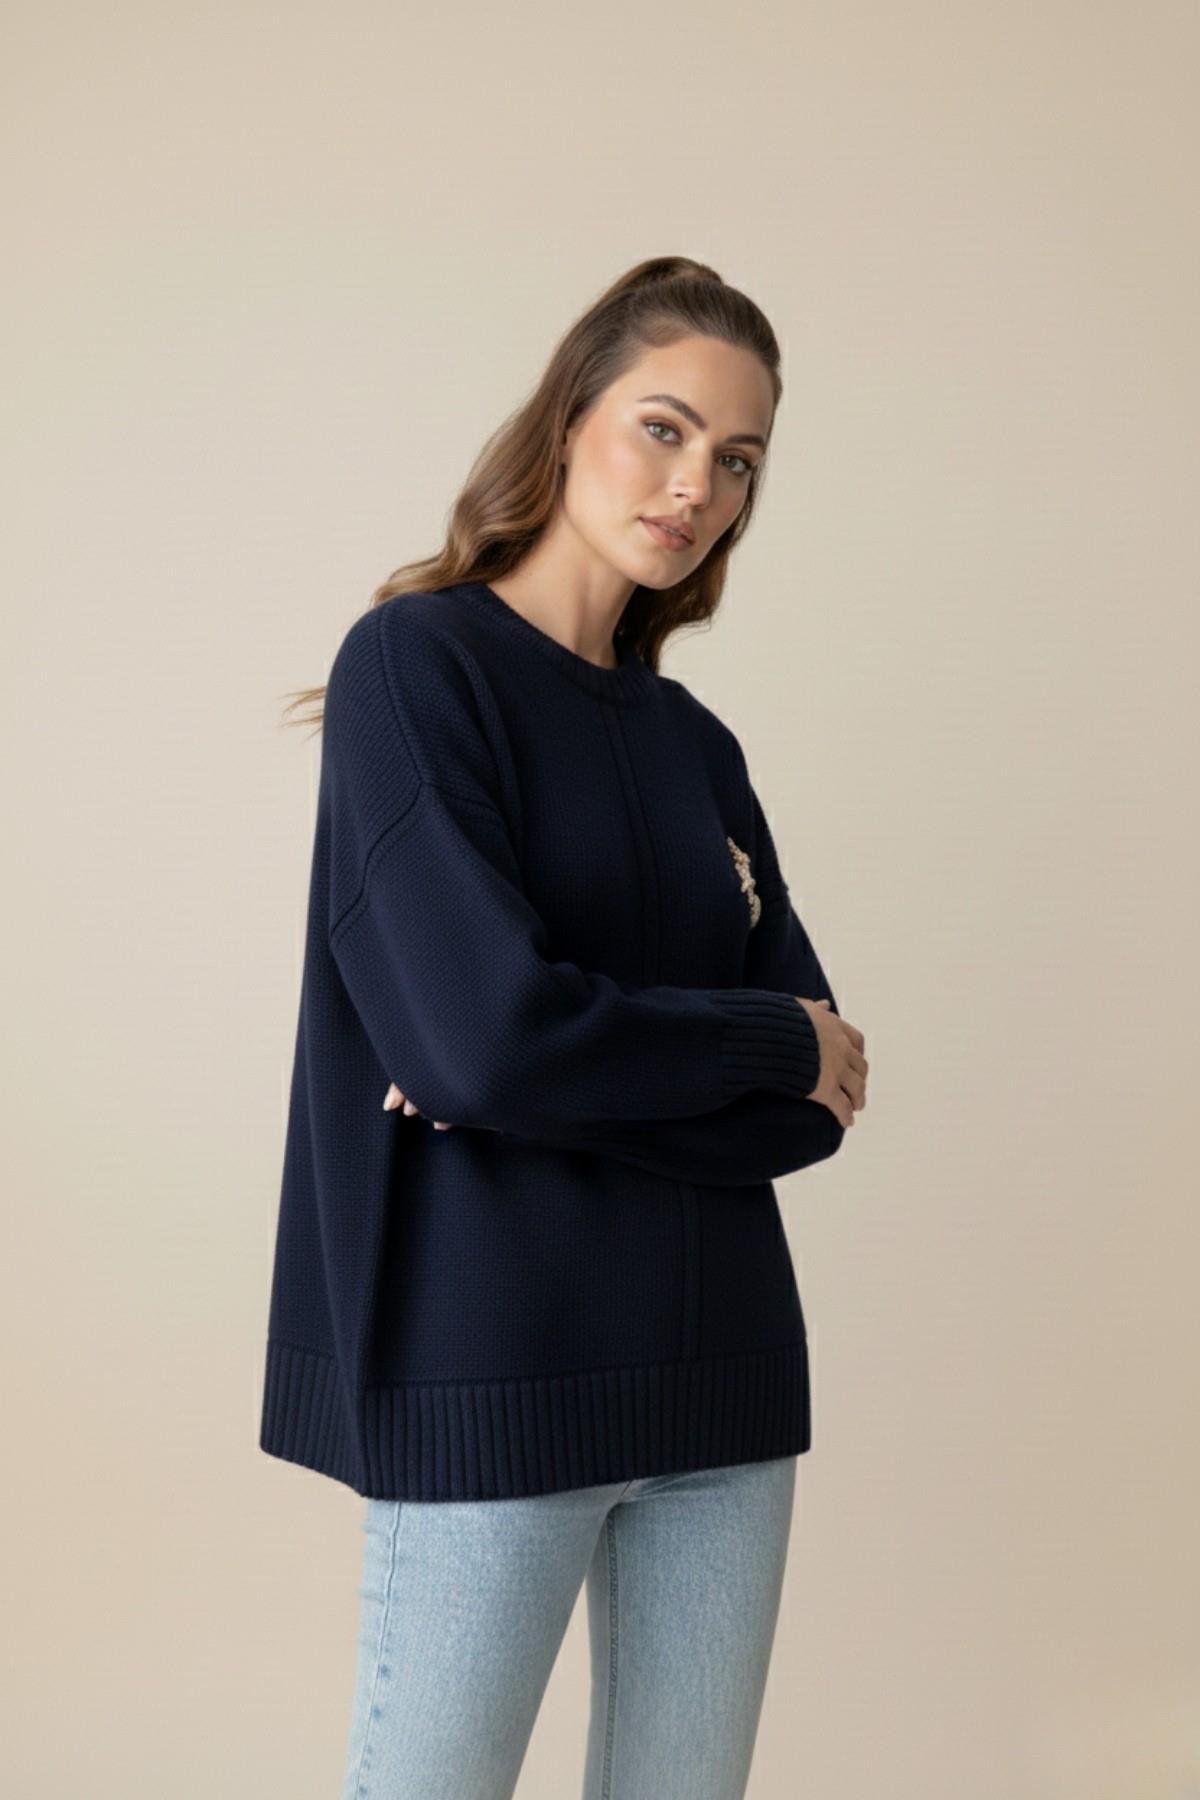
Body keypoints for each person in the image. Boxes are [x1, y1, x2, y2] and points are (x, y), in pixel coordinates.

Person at [262, 254, 869, 1800]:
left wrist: (555, 1067)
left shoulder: (695, 745)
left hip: (724, 1386)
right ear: (571, 416)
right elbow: (485, 1043)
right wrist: (731, 1043)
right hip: (496, 1369)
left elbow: (817, 1091)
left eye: (739, 460)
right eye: (665, 428)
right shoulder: (419, 667)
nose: (698, 486)